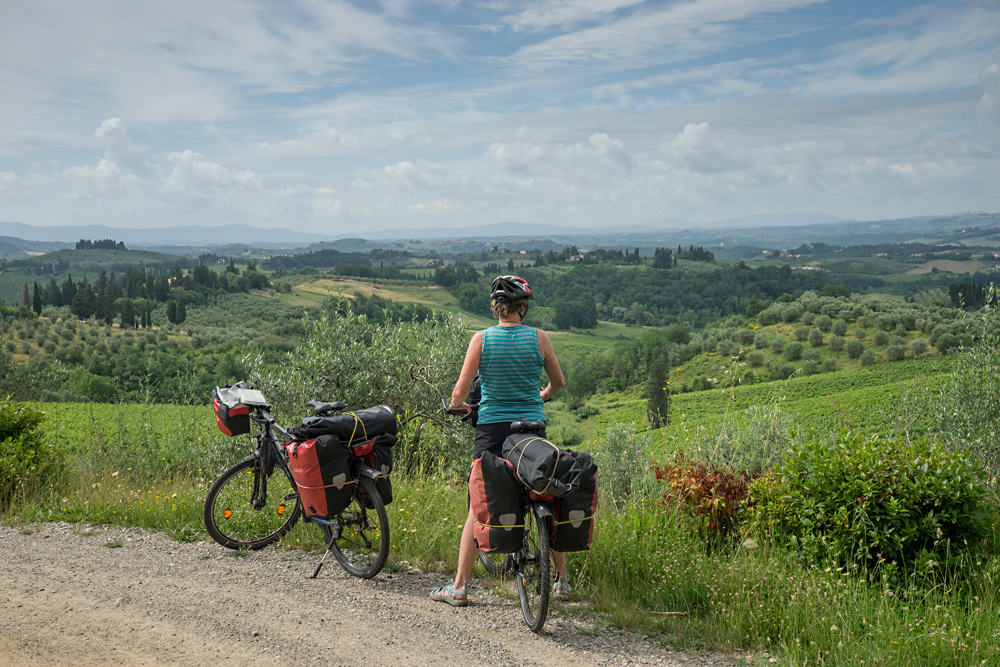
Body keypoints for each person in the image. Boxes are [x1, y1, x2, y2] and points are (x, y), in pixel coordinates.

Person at [430, 275, 566, 607]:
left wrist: (459, 405)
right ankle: (561, 581)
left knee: (479, 503)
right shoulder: (540, 338)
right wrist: (541, 397)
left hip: (492, 431)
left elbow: (460, 393)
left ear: (496, 307)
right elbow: (558, 383)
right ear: (523, 308)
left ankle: (460, 587)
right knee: (542, 491)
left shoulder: (482, 339)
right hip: (532, 428)